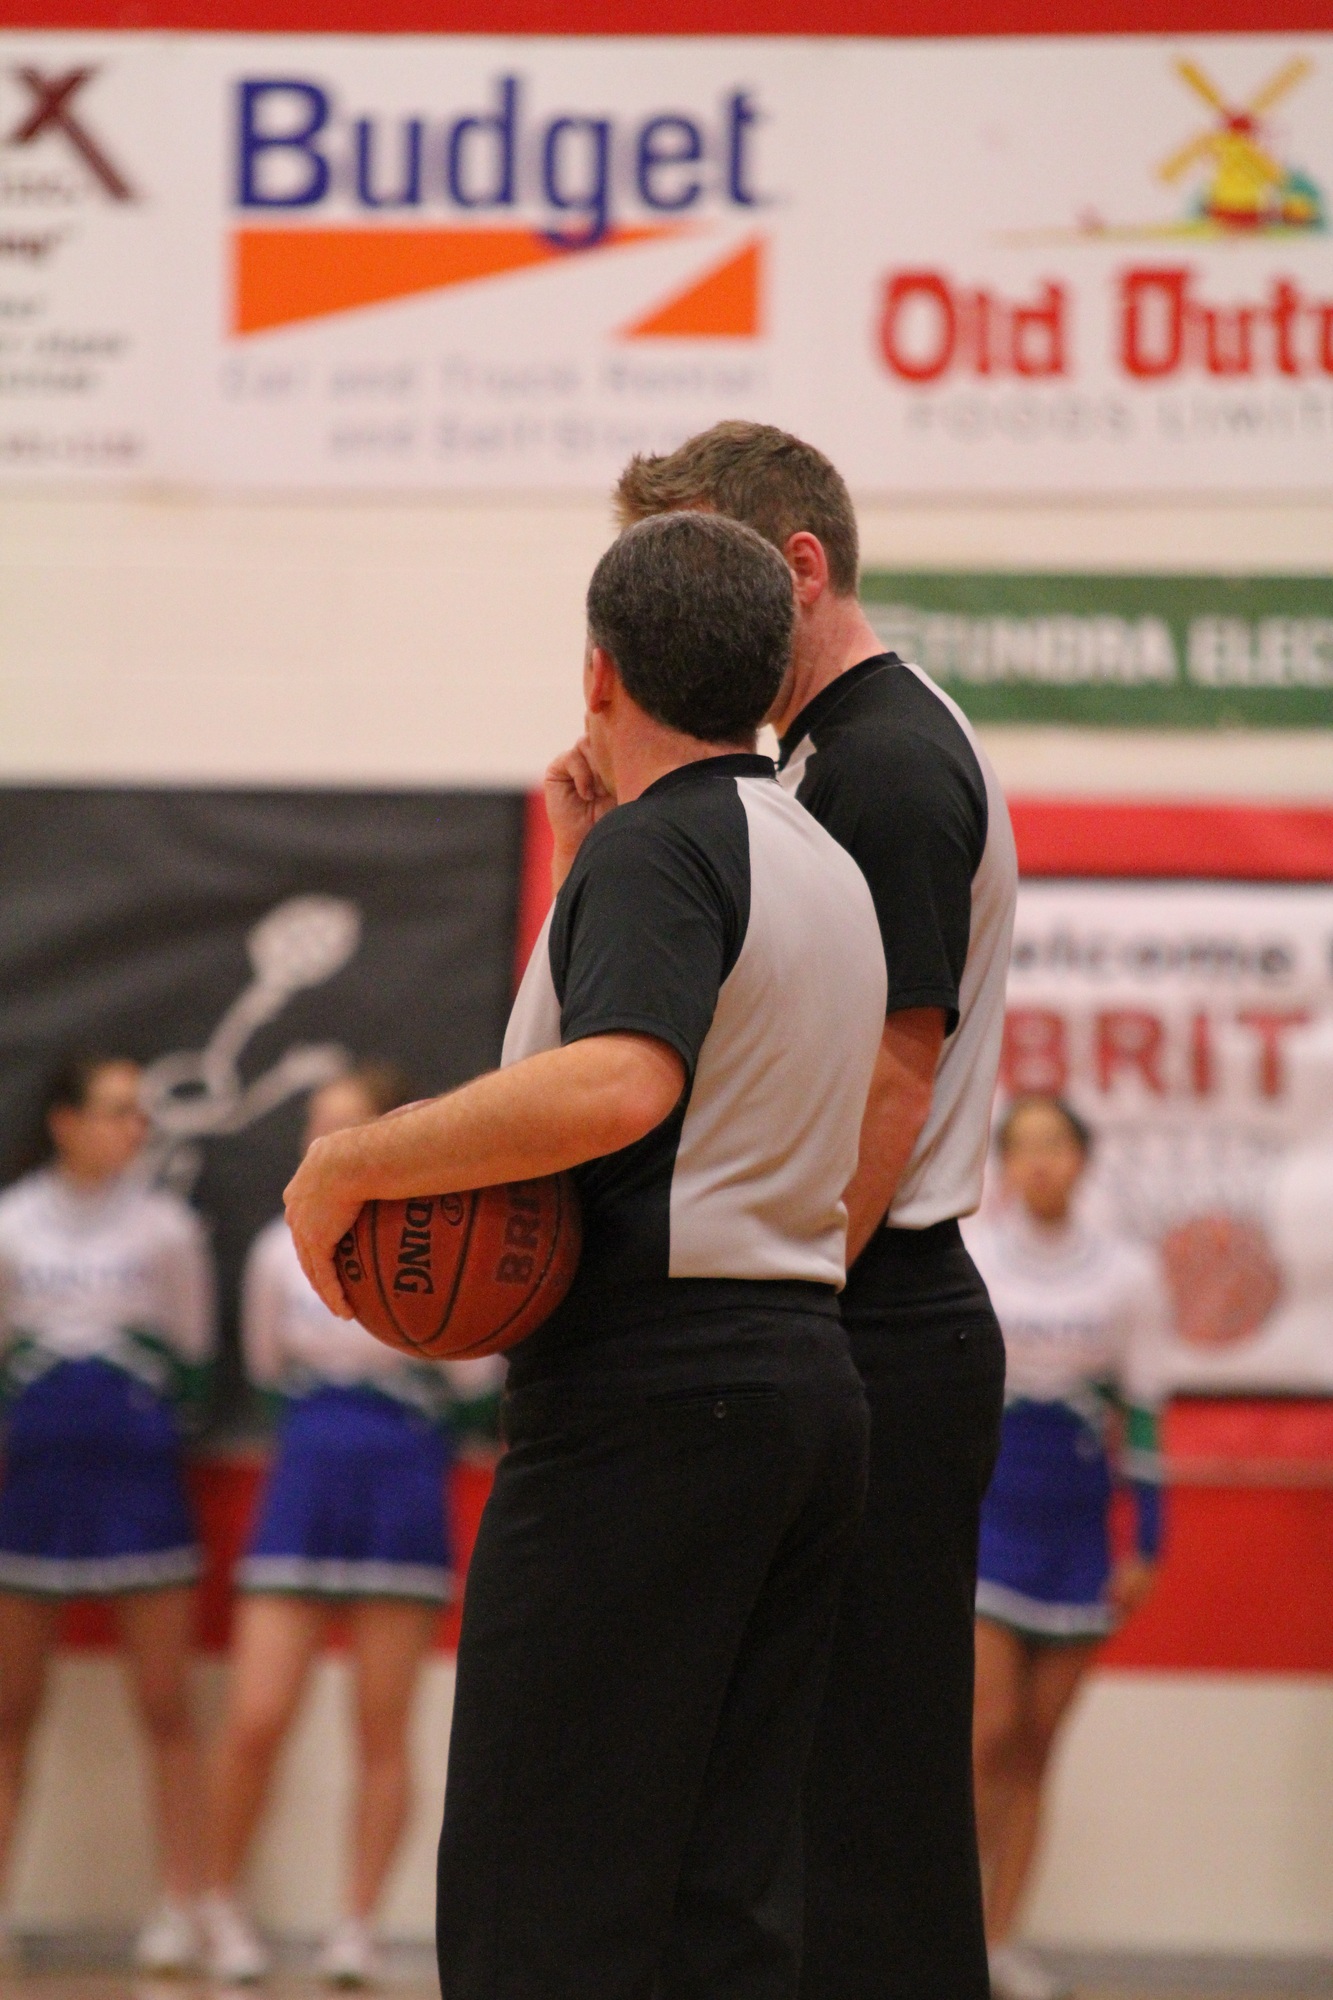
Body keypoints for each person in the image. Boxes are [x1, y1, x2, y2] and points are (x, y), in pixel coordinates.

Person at [284, 511, 889, 2000]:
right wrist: (579, 870)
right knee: (716, 1900)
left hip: (649, 1399)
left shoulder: (661, 852)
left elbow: (622, 1082)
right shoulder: (815, 855)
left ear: (598, 672)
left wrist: (353, 1158)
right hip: (803, 1380)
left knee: (538, 1889)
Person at [614, 422, 1017, 2000]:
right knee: (801, 1797)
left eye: (703, 565)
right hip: (858, 1312)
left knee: (872, 1810)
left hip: (877, 1313)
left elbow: (890, 1079)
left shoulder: (884, 760)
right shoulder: (823, 751)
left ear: (796, 567)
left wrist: (787, 1312)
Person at [203, 1064, 498, 1988]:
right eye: (313, 1123)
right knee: (256, 1716)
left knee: (381, 1725)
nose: (321, 1141)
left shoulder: (443, 1237)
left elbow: (476, 1373)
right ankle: (215, 1906)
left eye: (344, 1123)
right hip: (304, 1475)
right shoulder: (273, 1247)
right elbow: (265, 1367)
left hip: (402, 1479)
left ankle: (356, 1926)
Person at [0, 1054, 214, 1974]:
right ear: (64, 1121)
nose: (136, 1128)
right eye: (117, 1110)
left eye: (140, 1113)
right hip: (34, 1486)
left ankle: (182, 1906)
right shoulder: (10, 1225)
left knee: (165, 1703)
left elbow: (195, 1360)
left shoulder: (169, 1228)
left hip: (140, 1485)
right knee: (10, 1707)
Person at [965, 1095, 1165, 2000]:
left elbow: (1145, 1415)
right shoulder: (974, 1258)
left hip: (1078, 1535)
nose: (1040, 1161)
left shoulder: (1127, 1274)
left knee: (1037, 1747)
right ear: (1003, 1165)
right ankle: (945, 1930)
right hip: (988, 1520)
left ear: (1082, 1159)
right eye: (1023, 1147)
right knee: (985, 1733)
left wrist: (1146, 1543)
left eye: (1055, 1145)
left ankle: (1000, 1940)